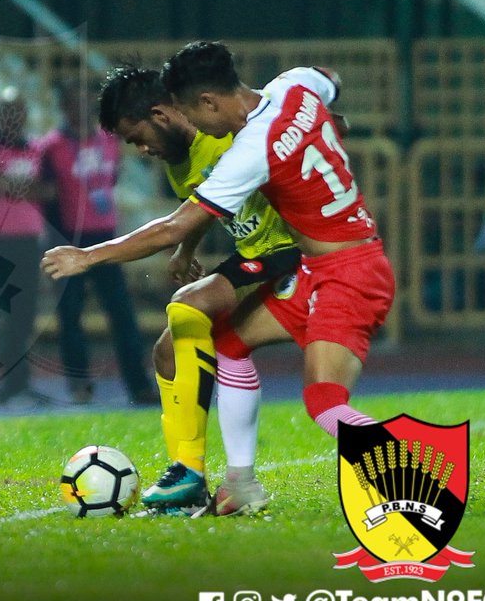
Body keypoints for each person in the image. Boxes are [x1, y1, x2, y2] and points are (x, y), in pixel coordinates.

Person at [43, 41, 394, 488]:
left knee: (322, 402)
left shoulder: (245, 147)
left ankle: (411, 468)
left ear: (200, 104)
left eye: (191, 111)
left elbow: (174, 224)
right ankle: (238, 483)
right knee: (217, 345)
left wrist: (88, 256)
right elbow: (327, 76)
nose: (195, 123)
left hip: (326, 263)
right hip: (317, 265)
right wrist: (333, 121)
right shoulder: (292, 87)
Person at [99, 64, 303, 515]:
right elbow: (203, 205)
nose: (140, 150)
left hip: (289, 248)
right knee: (167, 352)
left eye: (137, 137)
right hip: (256, 253)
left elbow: (176, 223)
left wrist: (88, 255)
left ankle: (191, 473)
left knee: (189, 304)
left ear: (161, 113)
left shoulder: (229, 131)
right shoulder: (178, 163)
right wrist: (186, 249)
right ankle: (187, 475)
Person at [38, 78, 153, 406]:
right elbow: (47, 194)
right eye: (74, 102)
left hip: (105, 238)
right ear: (64, 107)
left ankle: (139, 386)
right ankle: (80, 386)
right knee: (70, 316)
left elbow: (111, 177)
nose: (82, 108)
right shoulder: (52, 146)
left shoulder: (108, 140)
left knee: (122, 314)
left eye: (86, 102)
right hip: (67, 239)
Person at [0, 87, 51, 404]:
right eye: (6, 111)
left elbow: (49, 190)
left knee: (22, 316)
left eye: (17, 110)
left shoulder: (36, 148)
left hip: (28, 241)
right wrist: (26, 187)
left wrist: (10, 185)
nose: (12, 117)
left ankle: (16, 384)